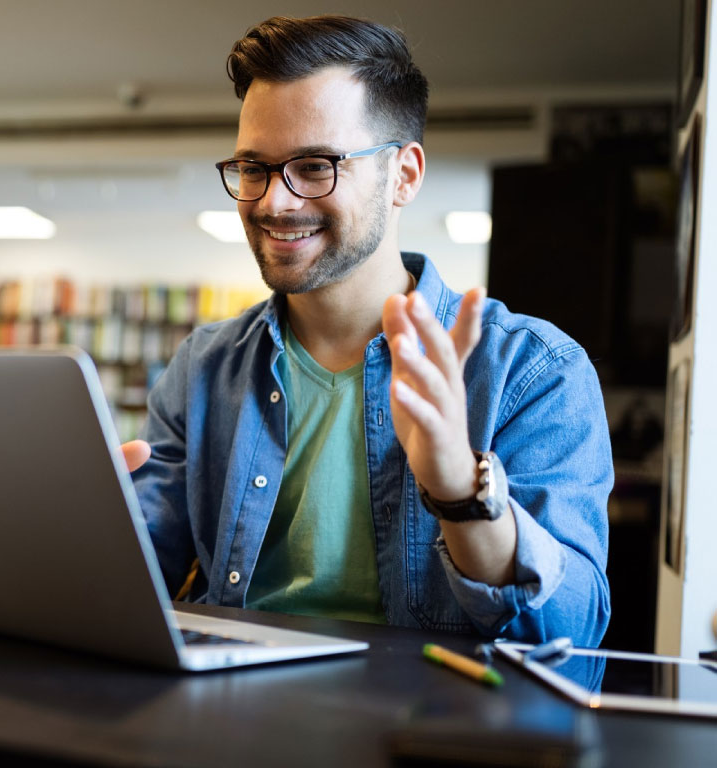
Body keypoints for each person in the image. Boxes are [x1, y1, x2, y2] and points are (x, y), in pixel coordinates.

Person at [121, 15, 611, 645]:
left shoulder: (535, 370)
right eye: (254, 168)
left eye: (315, 165)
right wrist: (73, 518)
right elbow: (133, 579)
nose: (275, 202)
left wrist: (460, 489)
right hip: (224, 719)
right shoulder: (204, 366)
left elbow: (573, 631)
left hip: (426, 727)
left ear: (404, 174)